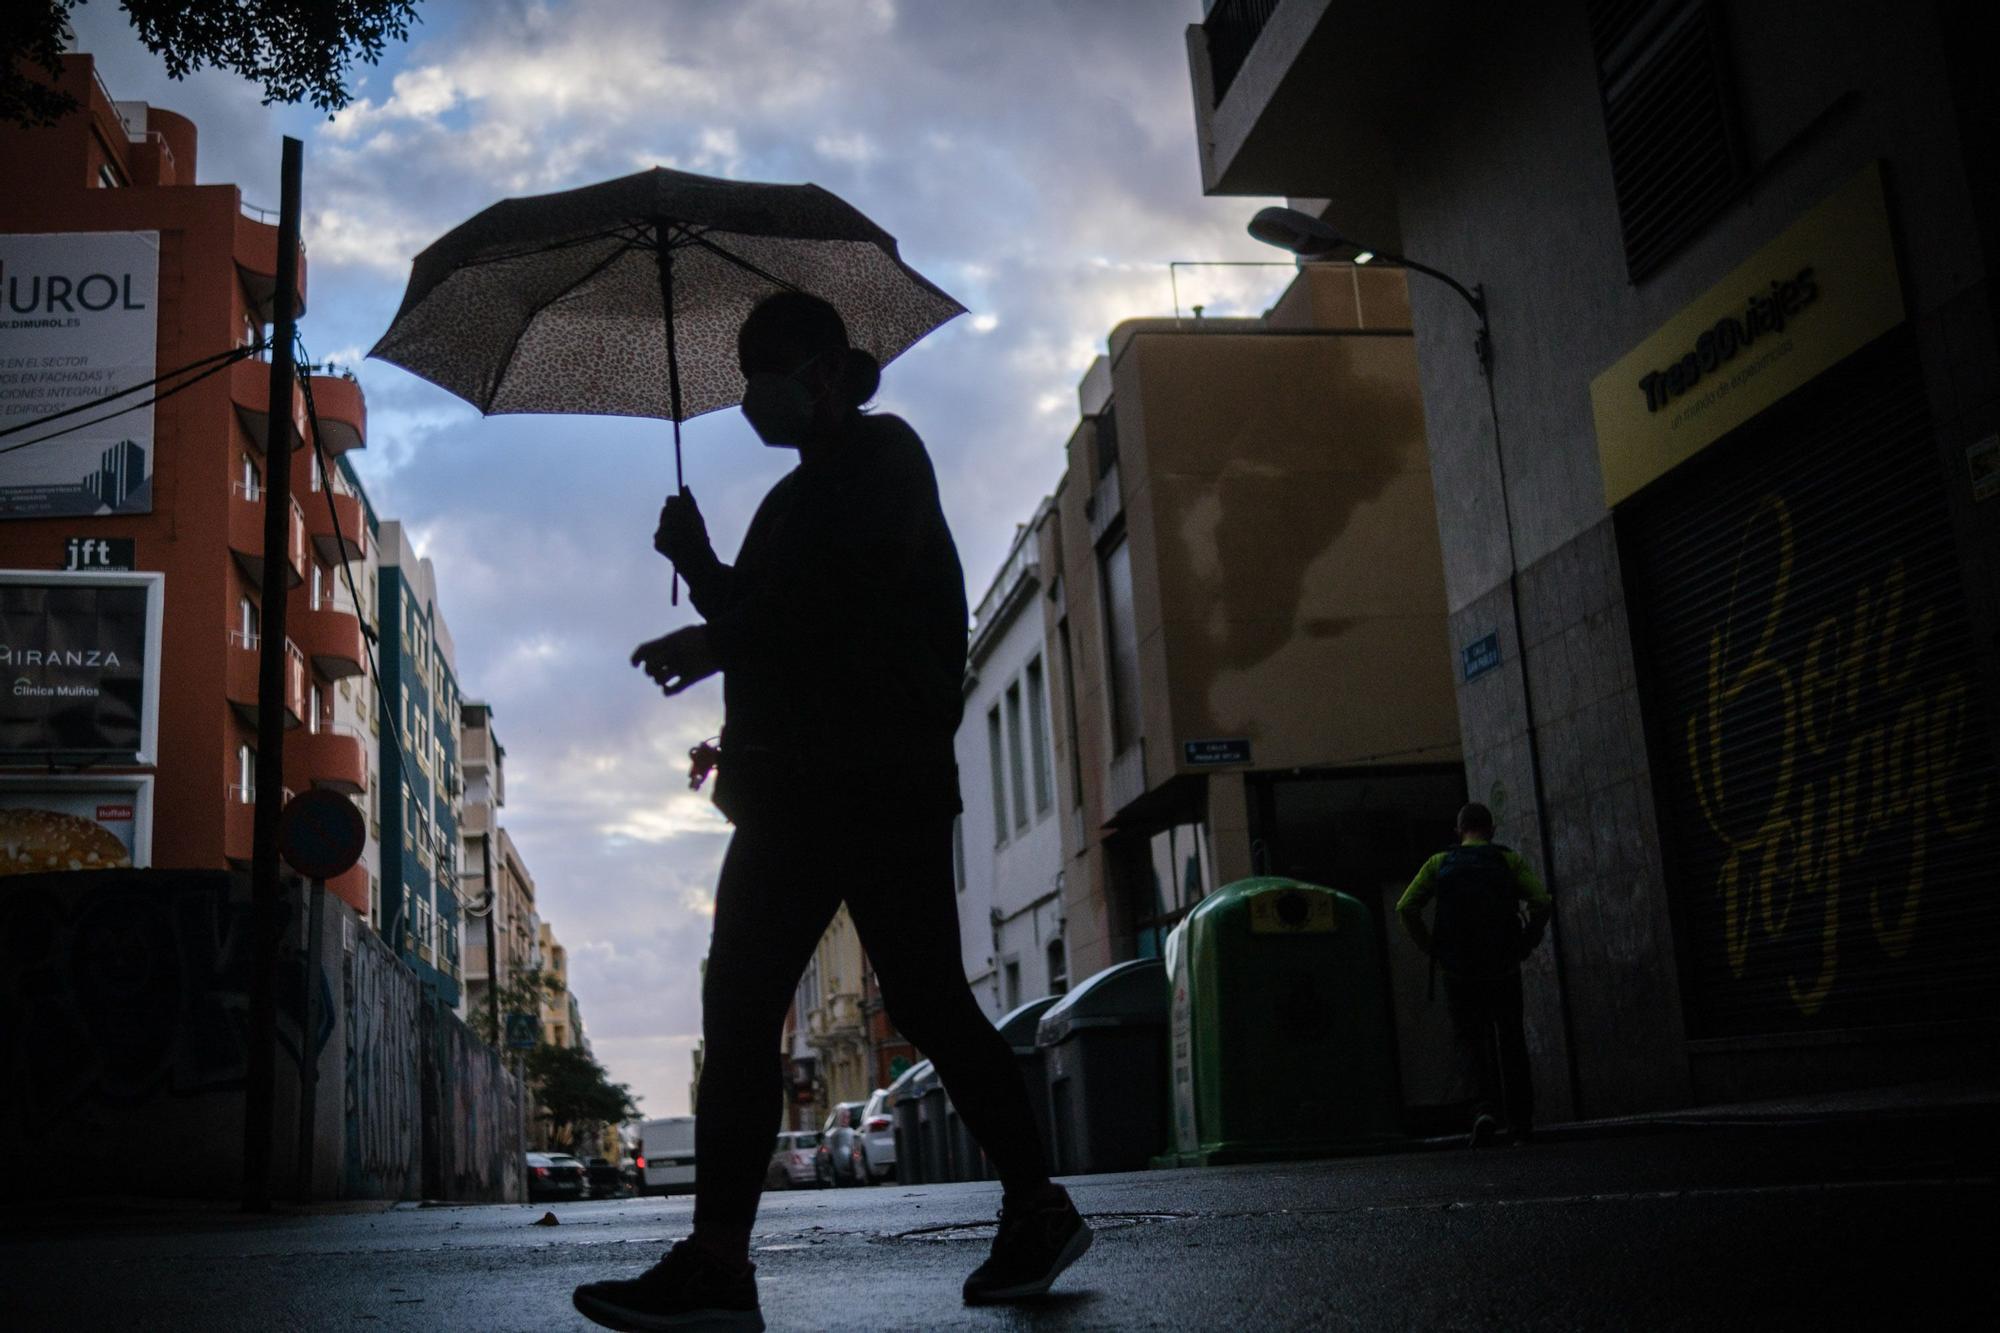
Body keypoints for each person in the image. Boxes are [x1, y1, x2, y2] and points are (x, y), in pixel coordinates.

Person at [571, 292, 1090, 1332]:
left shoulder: (882, 462)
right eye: (744, 367)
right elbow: (773, 626)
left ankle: (1030, 1204)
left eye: (767, 365)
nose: (753, 389)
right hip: (797, 789)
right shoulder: (792, 497)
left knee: (925, 1000)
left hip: (866, 785)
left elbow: (822, 613)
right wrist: (708, 628)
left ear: (823, 370)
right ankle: (724, 1258)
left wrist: (703, 573)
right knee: (753, 1007)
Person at [1394, 801, 1551, 1147]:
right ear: (1492, 830)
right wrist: (1527, 942)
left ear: (1458, 832)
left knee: (1469, 1042)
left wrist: (1432, 949)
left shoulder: (1439, 863)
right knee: (1510, 1040)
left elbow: (1406, 907)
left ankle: (1483, 1110)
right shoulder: (1508, 860)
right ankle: (1521, 1124)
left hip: (1459, 972)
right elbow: (1541, 901)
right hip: (1503, 968)